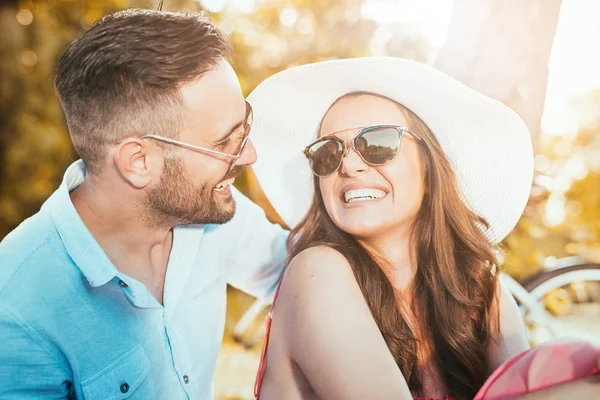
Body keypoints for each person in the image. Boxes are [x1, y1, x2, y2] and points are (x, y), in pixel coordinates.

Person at [247, 57, 599, 399]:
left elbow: (517, 388)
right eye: (329, 151)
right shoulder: (316, 271)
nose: (349, 164)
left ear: (430, 172)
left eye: (379, 143)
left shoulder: (478, 286)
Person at [0, 9, 287, 399]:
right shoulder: (17, 307)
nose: (249, 155)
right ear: (138, 161)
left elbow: (298, 273)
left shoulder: (210, 211)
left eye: (245, 127)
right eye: (225, 142)